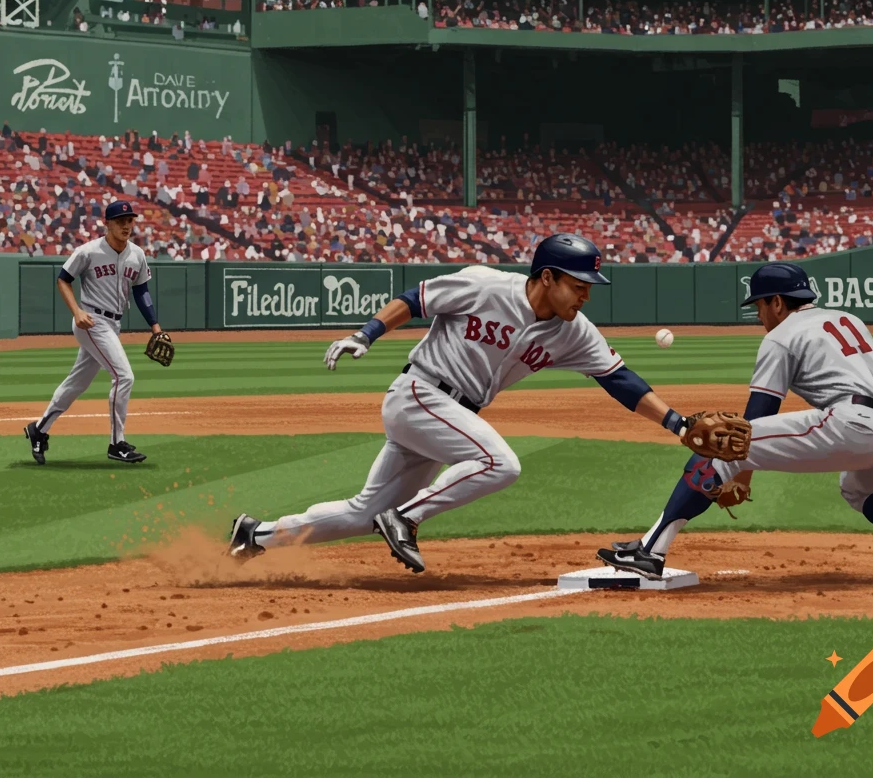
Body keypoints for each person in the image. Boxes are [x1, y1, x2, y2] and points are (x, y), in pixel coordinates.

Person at [228, 234, 718, 573]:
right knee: (500, 463)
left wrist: (677, 423)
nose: (586, 295)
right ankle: (406, 518)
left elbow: (621, 380)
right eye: (577, 284)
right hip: (419, 393)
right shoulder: (486, 284)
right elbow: (417, 298)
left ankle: (255, 536)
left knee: (362, 512)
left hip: (448, 417)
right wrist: (367, 334)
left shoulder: (574, 332)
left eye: (589, 287)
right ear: (547, 277)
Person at [598, 262, 873, 584]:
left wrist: (740, 473)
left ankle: (651, 551)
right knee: (860, 489)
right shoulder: (847, 318)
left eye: (760, 305)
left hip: (853, 423)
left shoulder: (780, 336)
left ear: (777, 302)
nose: (759, 314)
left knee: (719, 441)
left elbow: (754, 419)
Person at [23, 200, 161, 465]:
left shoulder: (137, 255)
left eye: (130, 220)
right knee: (124, 377)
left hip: (113, 324)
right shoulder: (88, 251)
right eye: (120, 221)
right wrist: (76, 311)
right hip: (91, 321)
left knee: (77, 382)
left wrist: (155, 325)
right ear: (106, 223)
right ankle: (116, 443)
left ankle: (38, 429)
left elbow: (141, 290)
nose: (126, 225)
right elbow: (63, 279)